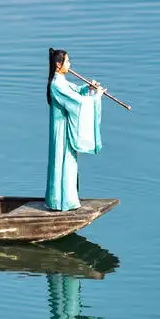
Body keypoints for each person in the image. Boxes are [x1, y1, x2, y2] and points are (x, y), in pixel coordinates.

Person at [45, 48, 104, 211]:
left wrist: (89, 89)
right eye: (68, 61)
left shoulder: (61, 81)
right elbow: (78, 104)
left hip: (65, 129)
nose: (70, 64)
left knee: (69, 163)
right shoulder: (57, 84)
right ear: (59, 64)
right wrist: (96, 98)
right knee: (63, 163)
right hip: (61, 131)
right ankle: (60, 202)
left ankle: (66, 199)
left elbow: (76, 91)